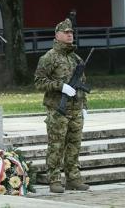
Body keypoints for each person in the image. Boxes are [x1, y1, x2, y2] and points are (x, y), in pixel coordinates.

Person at [34, 18, 90, 193]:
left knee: (74, 144)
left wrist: (84, 106)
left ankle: (73, 177)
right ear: (57, 35)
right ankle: (55, 179)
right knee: (56, 145)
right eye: (66, 32)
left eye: (71, 32)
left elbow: (82, 82)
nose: (69, 35)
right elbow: (39, 82)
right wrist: (60, 86)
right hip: (58, 109)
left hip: (75, 109)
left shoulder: (76, 58)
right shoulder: (48, 58)